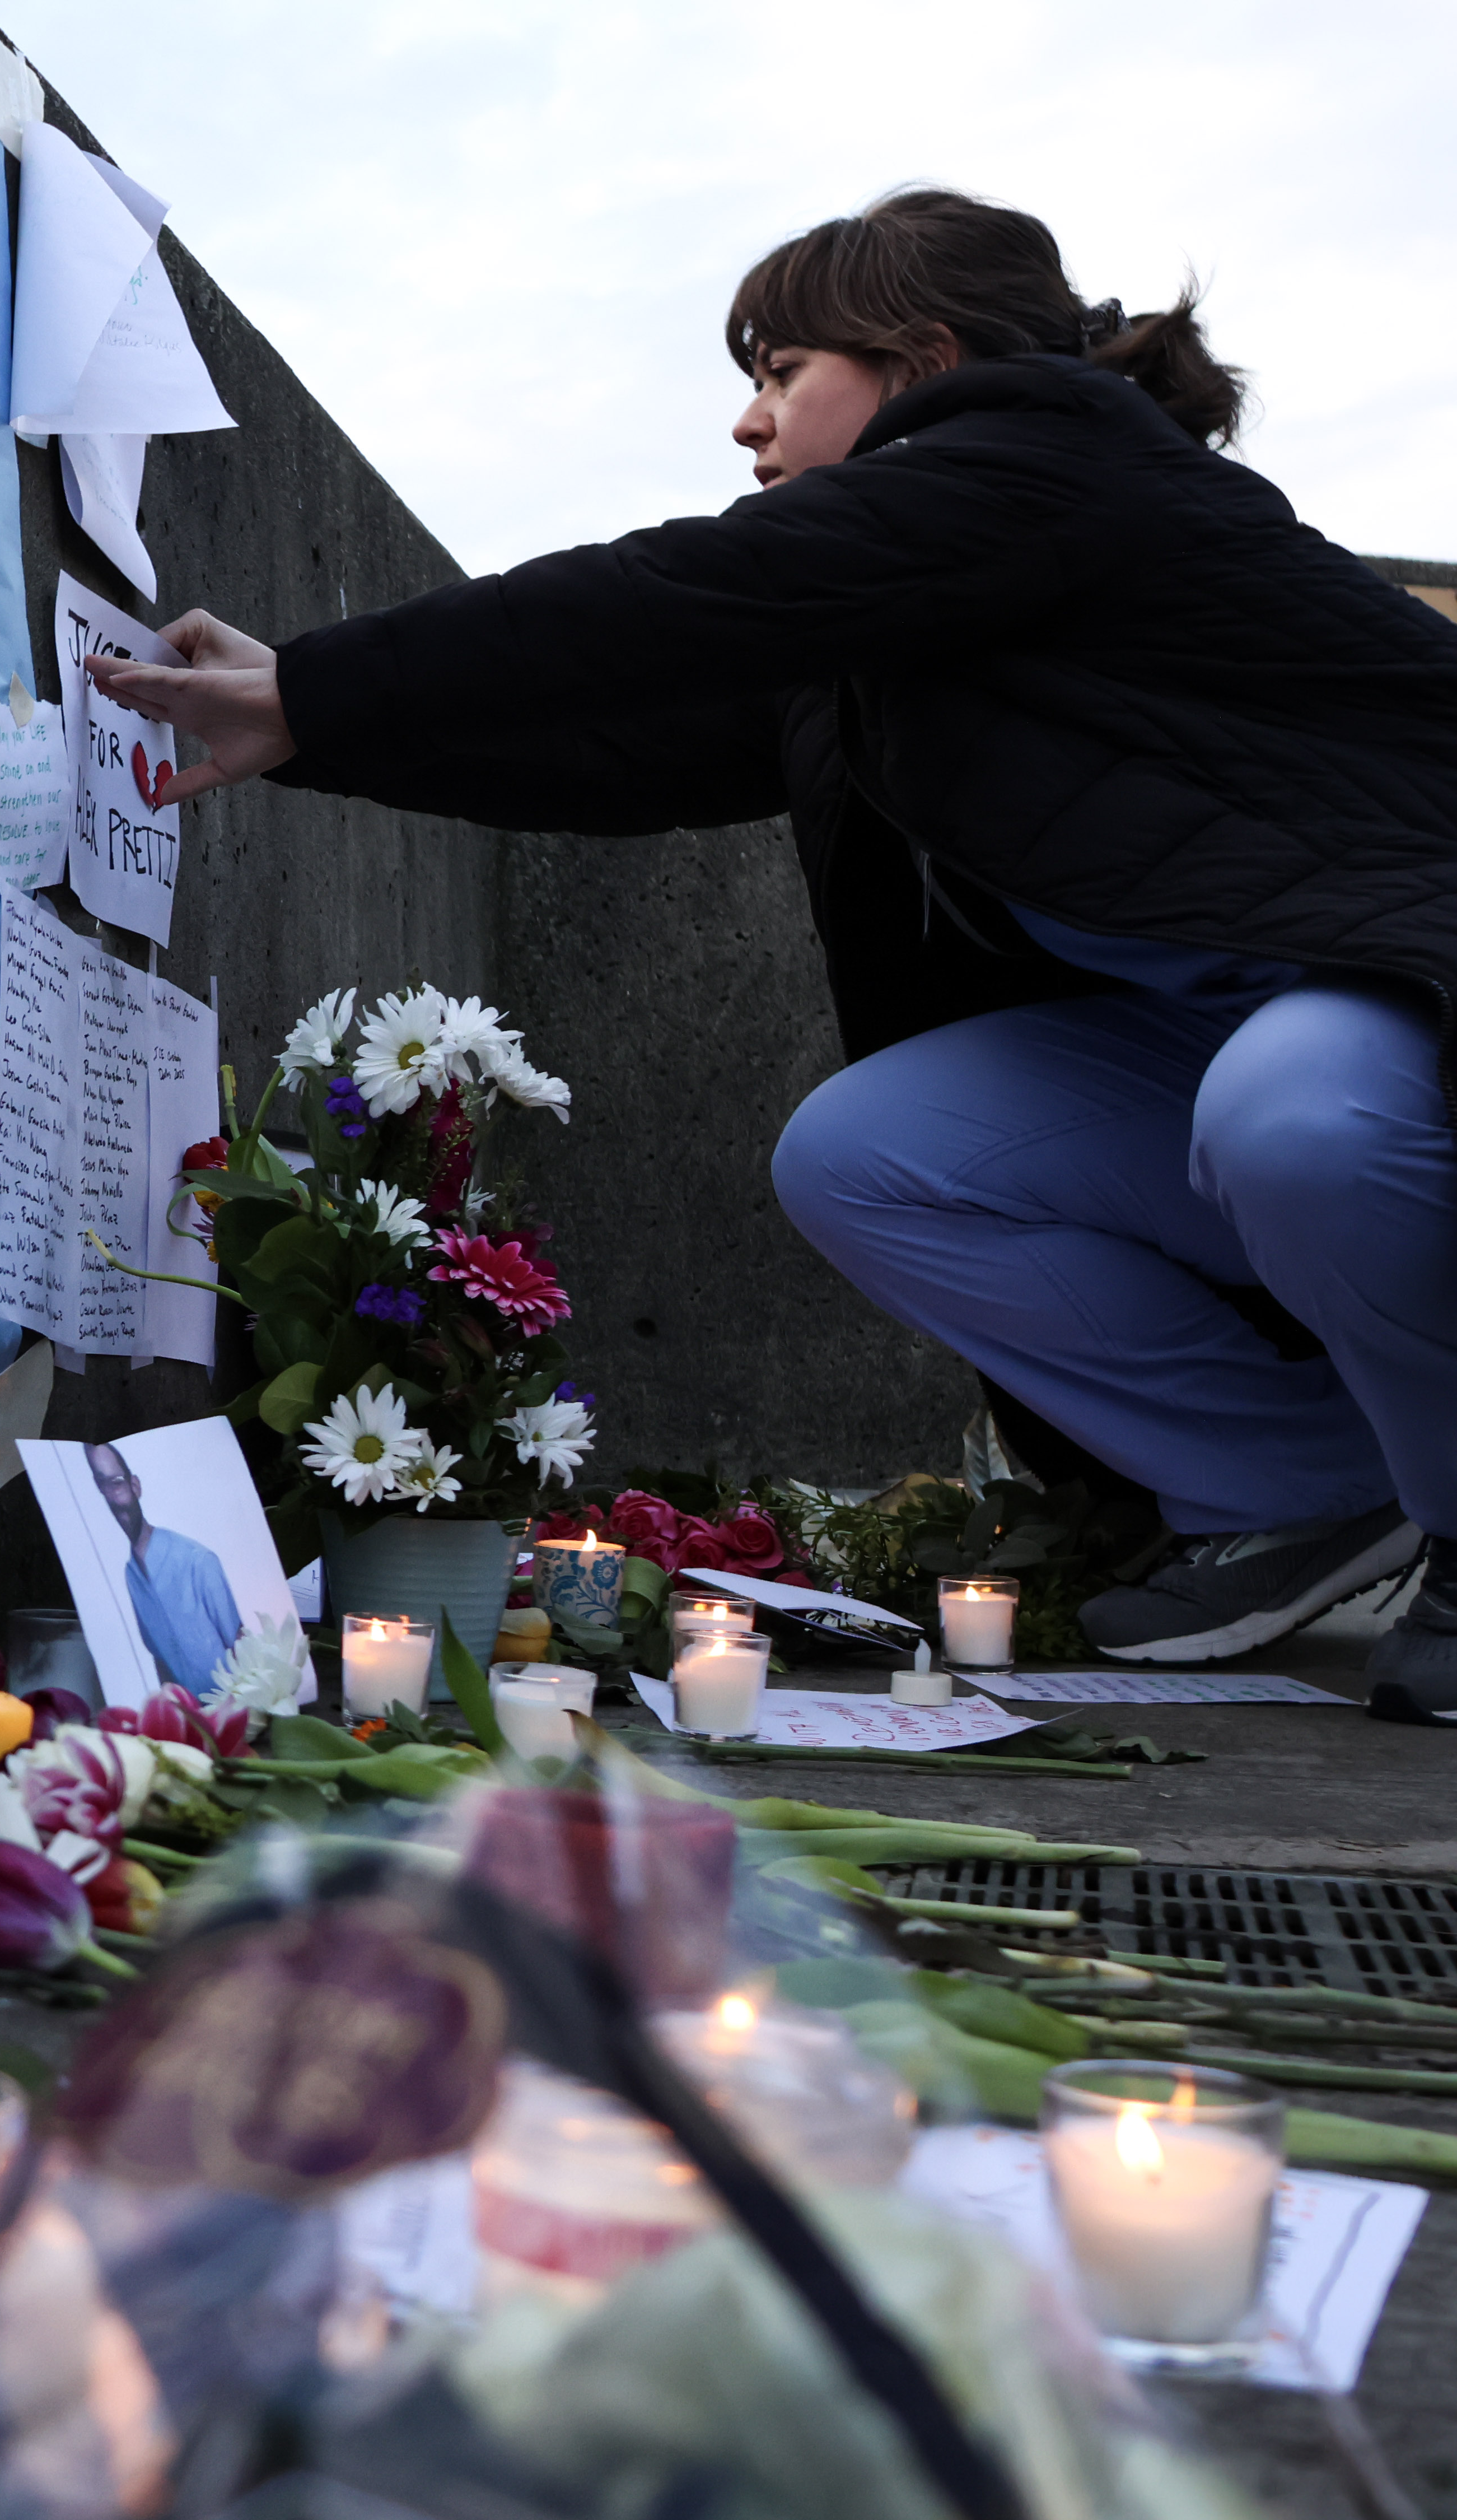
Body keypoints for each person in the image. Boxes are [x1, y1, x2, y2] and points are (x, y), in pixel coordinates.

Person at [83, 189, 1457, 1723]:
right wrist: (304, 729)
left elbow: (677, 599)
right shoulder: (889, 639)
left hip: (1398, 1000)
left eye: (783, 371)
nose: (748, 424)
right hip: (1205, 1059)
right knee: (863, 1155)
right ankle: (1297, 1483)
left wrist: (329, 678)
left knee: (1291, 1110)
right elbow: (617, 752)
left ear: (925, 364)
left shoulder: (1056, 464)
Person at [86, 1441, 247, 1696]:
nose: (112, 1498)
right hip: (187, 1723)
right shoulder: (130, 1575)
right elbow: (161, 1662)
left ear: (135, 1486)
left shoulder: (198, 1561)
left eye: (116, 1482)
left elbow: (242, 1647)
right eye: (101, 1484)